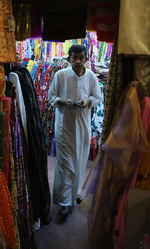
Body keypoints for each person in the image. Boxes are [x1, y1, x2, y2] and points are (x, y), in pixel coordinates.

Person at [47, 44, 102, 218]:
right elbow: (51, 97)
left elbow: (97, 97)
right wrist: (62, 102)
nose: (78, 61)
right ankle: (64, 202)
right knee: (66, 164)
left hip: (83, 127)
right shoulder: (60, 75)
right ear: (69, 59)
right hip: (65, 126)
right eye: (74, 58)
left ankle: (75, 193)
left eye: (81, 58)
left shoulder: (92, 76)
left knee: (79, 161)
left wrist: (88, 102)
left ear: (86, 58)